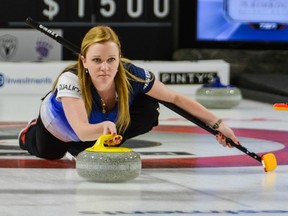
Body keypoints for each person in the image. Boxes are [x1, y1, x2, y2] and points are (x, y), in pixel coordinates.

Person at [18, 25, 240, 160]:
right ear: (84, 61)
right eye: (96, 60)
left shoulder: (133, 74)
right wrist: (103, 129)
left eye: (111, 60)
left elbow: (175, 98)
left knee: (149, 109)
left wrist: (218, 124)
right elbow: (81, 129)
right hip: (59, 126)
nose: (105, 68)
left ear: (119, 59)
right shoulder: (71, 79)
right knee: (51, 154)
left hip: (95, 128)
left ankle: (84, 148)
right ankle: (30, 133)